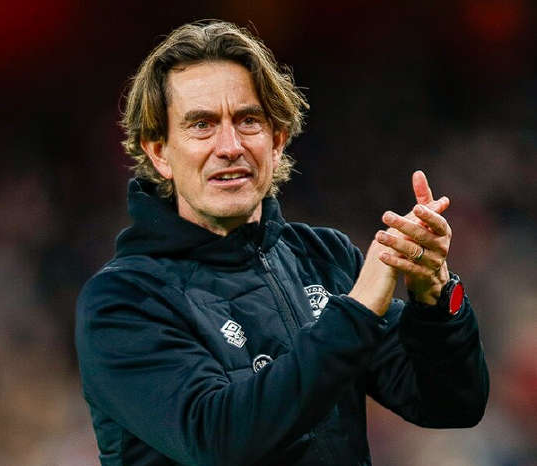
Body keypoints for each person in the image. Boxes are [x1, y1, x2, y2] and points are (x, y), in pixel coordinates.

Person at [75, 20, 489, 466]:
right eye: (202, 125)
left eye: (248, 121)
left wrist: (434, 301)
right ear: (159, 153)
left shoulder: (325, 259)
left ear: (276, 142)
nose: (230, 145)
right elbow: (217, 440)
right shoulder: (122, 300)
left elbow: (452, 404)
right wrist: (357, 312)